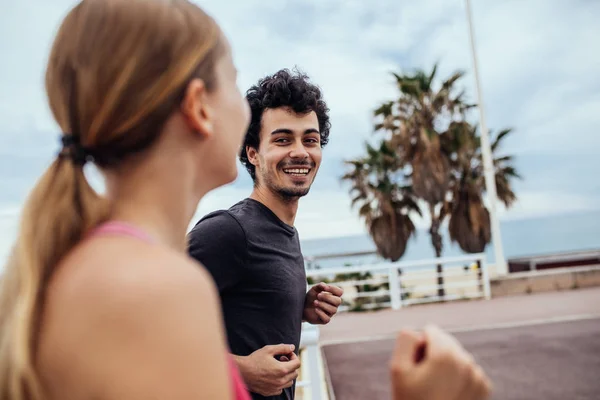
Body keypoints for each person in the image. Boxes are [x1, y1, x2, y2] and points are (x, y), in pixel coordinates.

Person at [0, 1, 491, 400]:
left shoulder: (106, 266)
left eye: (311, 137)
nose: (298, 149)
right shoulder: (155, 286)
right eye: (233, 81)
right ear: (199, 108)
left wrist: (291, 305)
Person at [187, 69, 344, 400]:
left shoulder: (286, 232)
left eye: (310, 139)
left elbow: (244, 307)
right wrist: (240, 371)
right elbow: (147, 331)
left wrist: (299, 305)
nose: (300, 152)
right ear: (253, 153)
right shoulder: (228, 232)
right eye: (283, 139)